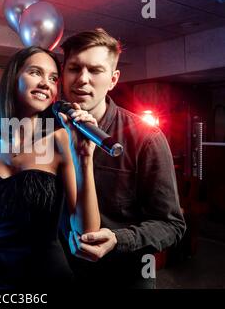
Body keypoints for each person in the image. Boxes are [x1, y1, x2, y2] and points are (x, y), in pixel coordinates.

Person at [59, 28, 186, 288]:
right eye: (74, 68)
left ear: (113, 79)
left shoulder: (145, 137)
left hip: (122, 279)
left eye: (95, 70)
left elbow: (172, 225)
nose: (82, 79)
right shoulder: (49, 130)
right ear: (63, 73)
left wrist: (119, 239)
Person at [0, 46, 101, 289]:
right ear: (13, 78)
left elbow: (85, 231)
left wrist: (85, 159)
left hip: (49, 278)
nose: (45, 83)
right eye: (35, 72)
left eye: (52, 78)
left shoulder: (60, 140)